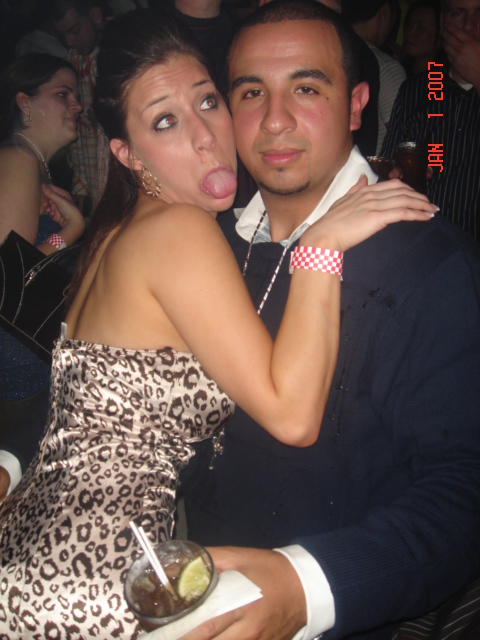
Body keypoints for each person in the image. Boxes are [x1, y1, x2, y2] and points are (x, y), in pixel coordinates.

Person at [0, 8, 436, 638]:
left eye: (208, 102)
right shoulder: (179, 231)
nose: (205, 136)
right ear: (125, 153)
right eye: (166, 121)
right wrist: (321, 244)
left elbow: (84, 401)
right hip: (93, 576)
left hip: (33, 544)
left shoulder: (119, 230)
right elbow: (293, 416)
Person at [179, 2, 480, 639]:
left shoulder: (431, 266)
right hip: (194, 584)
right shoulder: (209, 241)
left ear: (357, 104)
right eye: (251, 92)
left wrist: (306, 587)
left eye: (307, 88)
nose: (275, 119)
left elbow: (464, 490)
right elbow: (122, 365)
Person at [0, 53, 85, 499]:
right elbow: (11, 274)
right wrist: (70, 232)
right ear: (24, 103)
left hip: (25, 350)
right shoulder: (17, 159)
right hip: (19, 356)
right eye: (62, 94)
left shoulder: (32, 165)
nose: (76, 105)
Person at [381, 0, 480, 241]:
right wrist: (394, 176)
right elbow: (387, 166)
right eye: (459, 13)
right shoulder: (415, 90)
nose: (469, 26)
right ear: (443, 23)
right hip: (421, 245)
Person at [48, 0, 110, 214]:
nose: (69, 41)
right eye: (62, 35)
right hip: (93, 187)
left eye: (74, 30)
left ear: (95, 15)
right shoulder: (73, 60)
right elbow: (79, 135)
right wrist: (80, 183)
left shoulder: (118, 56)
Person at [342, 0, 407, 153]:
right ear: (384, 12)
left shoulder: (331, 53)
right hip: (370, 165)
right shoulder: (386, 66)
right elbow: (403, 140)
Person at [401, 0, 442, 75]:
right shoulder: (397, 72)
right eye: (409, 25)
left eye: (420, 28)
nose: (410, 33)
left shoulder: (440, 76)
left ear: (439, 38)